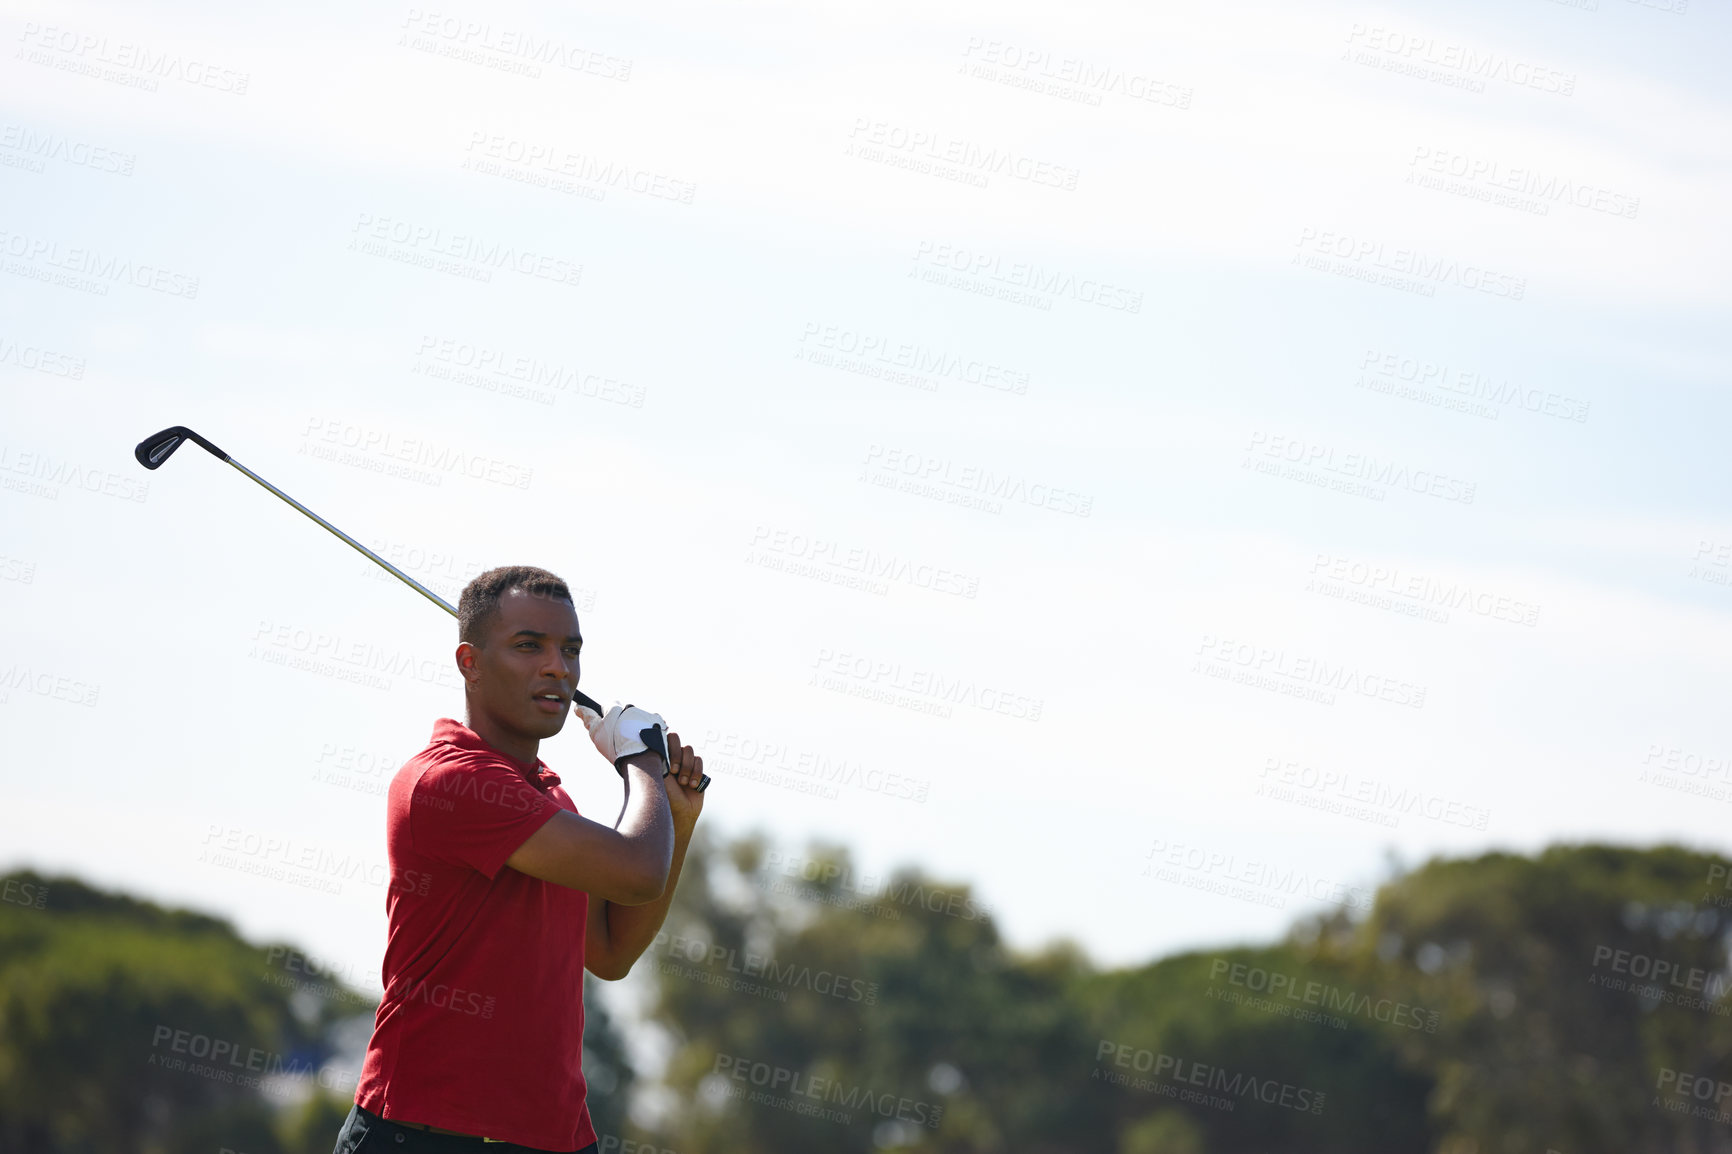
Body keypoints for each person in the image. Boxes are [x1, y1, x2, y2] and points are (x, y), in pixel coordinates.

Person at [331, 565, 707, 1153]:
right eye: (529, 646)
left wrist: (677, 818)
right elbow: (637, 869)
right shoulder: (449, 781)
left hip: (552, 1137)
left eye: (570, 650)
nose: (558, 666)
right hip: (424, 1133)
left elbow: (608, 953)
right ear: (470, 663)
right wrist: (640, 764)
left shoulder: (550, 798)